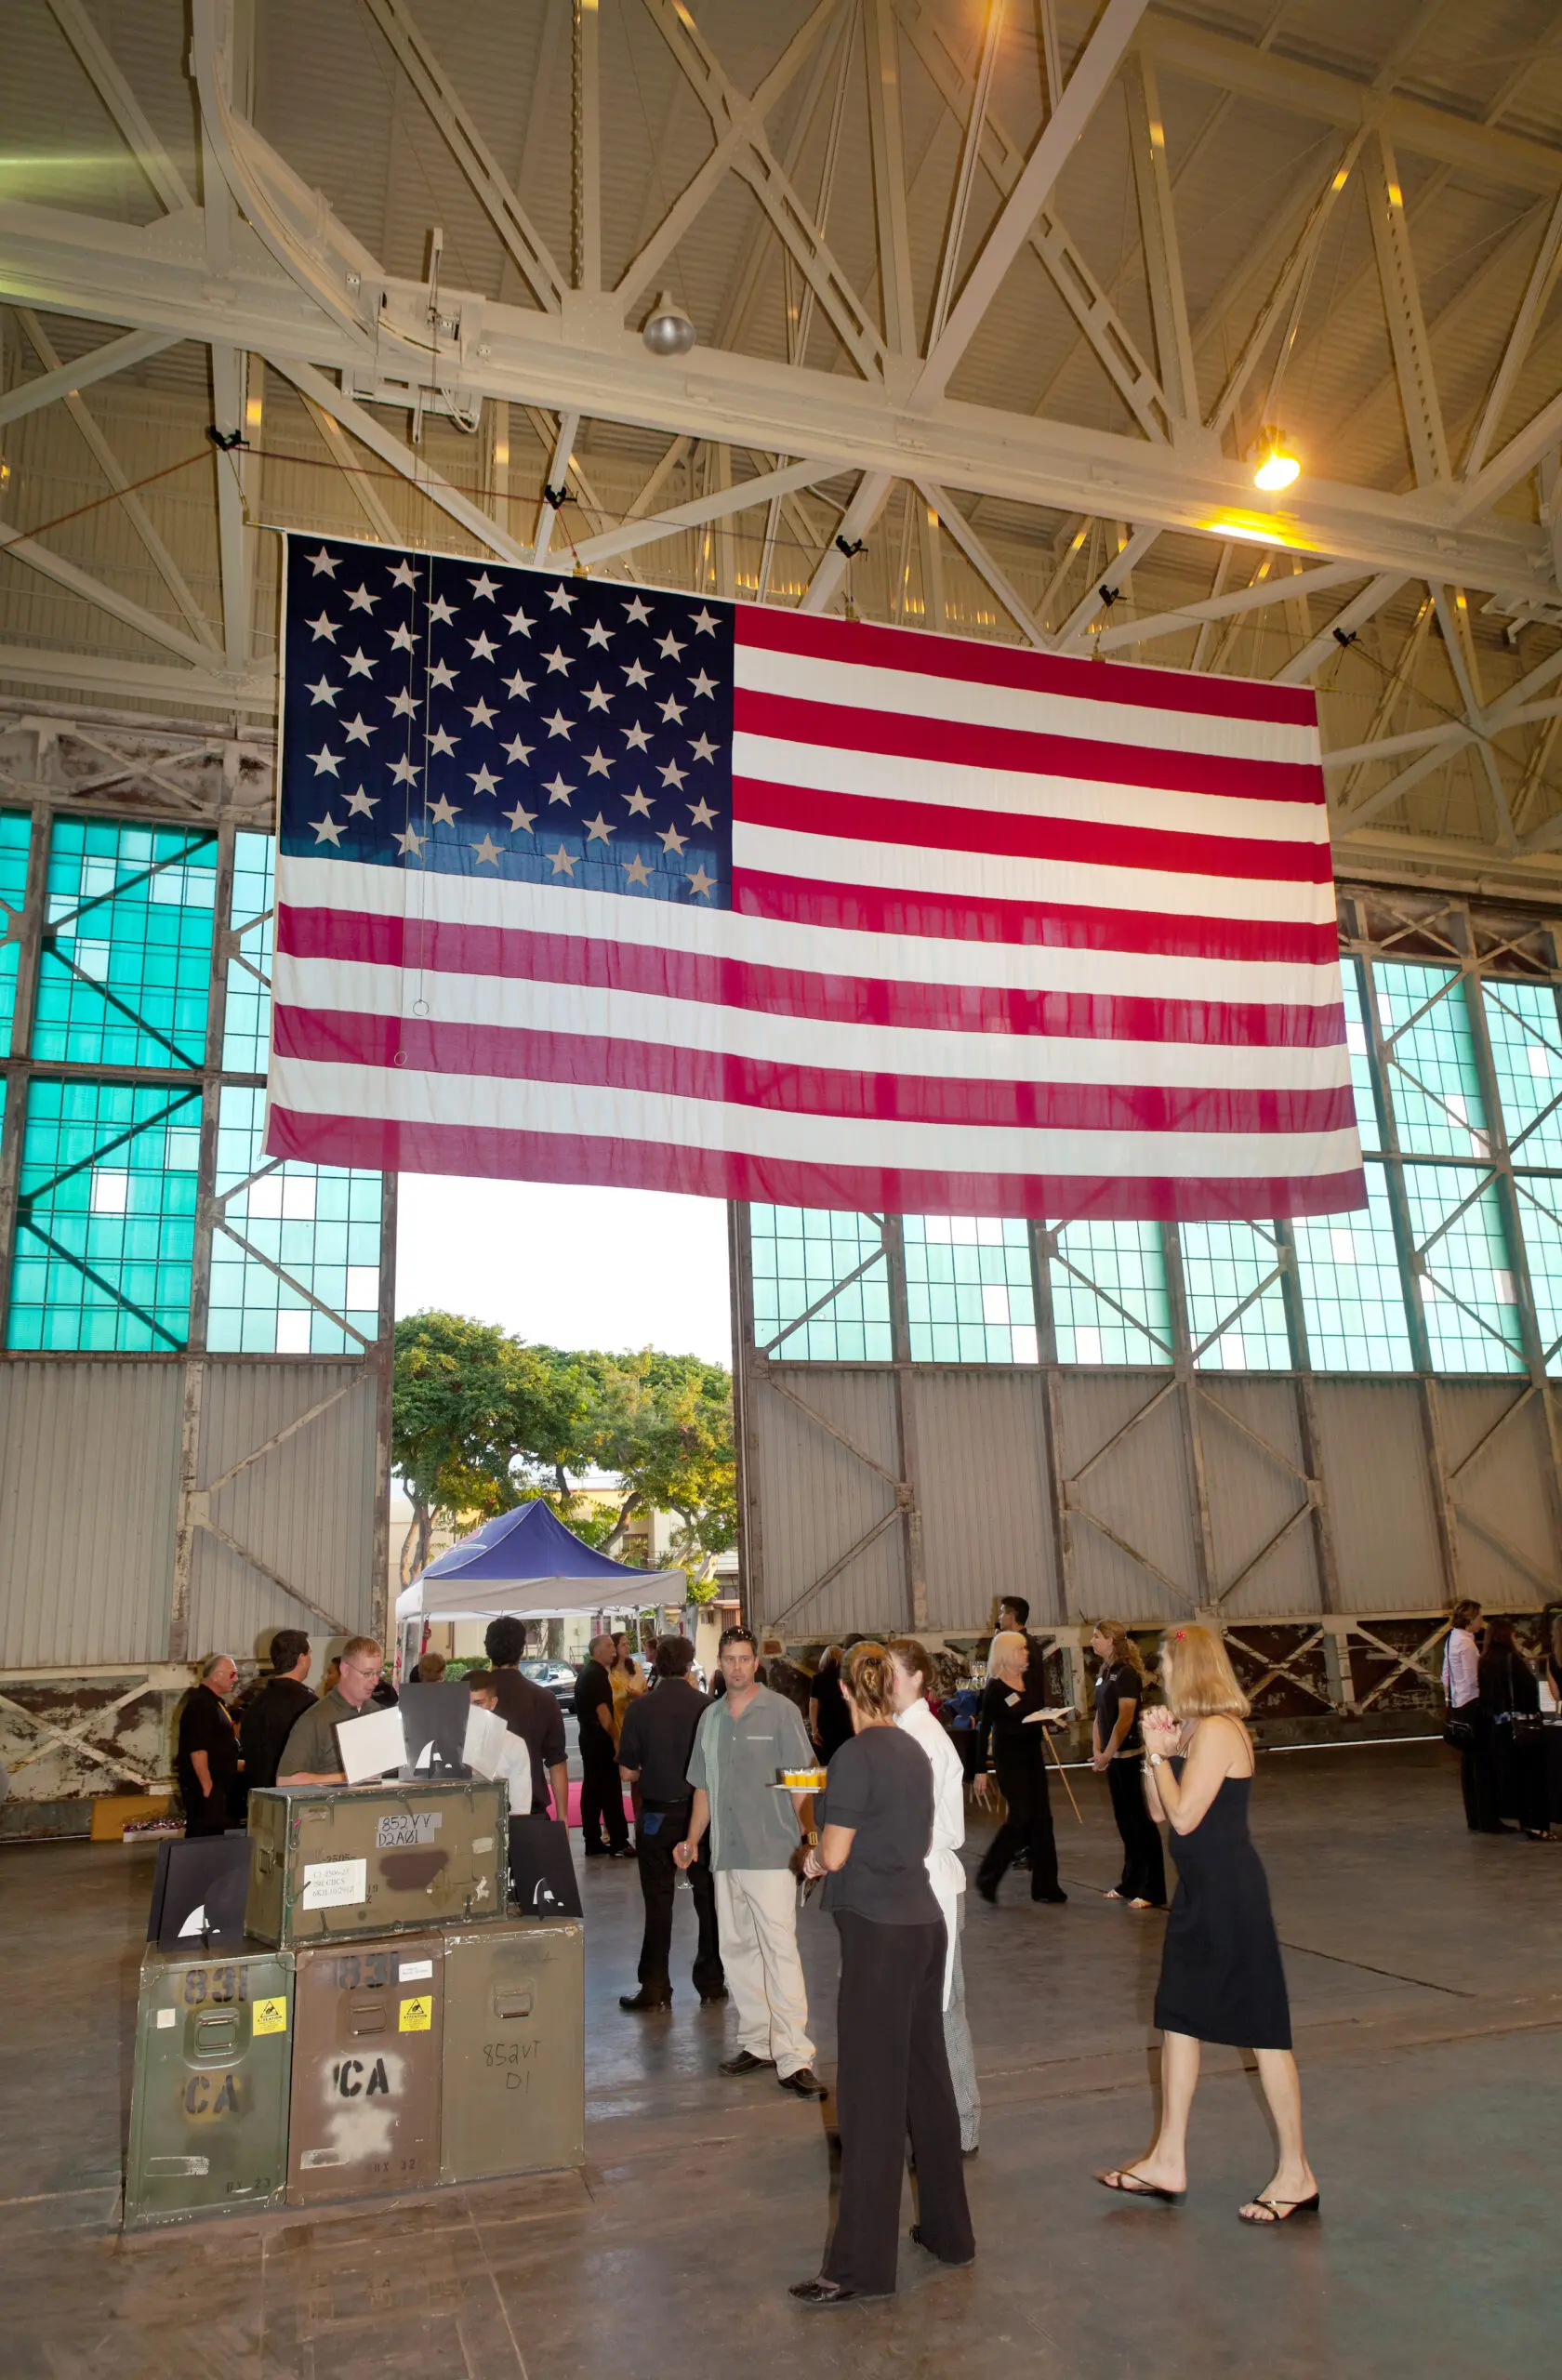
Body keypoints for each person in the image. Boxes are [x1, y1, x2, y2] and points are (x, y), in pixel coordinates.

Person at [1096, 1625, 1318, 2225]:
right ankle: (1168, 2158)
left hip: (1231, 1898)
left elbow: (1188, 1818)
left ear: (1189, 1669)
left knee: (1265, 2033)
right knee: (1179, 2019)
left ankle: (1296, 2173)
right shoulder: (1192, 1730)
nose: (1158, 1676)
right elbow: (1156, 1810)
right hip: (1201, 1895)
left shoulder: (1219, 1731)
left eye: (1166, 1665)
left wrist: (1164, 1755)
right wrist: (1154, 1753)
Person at [791, 1643, 974, 2306]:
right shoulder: (913, 1751)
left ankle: (861, 2268)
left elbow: (833, 1855)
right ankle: (951, 2233)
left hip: (879, 1936)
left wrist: (808, 1851)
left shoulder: (854, 1756)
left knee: (869, 2101)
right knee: (928, 2085)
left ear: (844, 1691)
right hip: (924, 1926)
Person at [677, 1625, 827, 2097]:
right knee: (737, 1952)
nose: (737, 1667)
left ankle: (794, 2056)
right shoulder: (711, 1719)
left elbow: (804, 1781)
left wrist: (812, 1839)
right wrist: (692, 1840)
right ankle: (758, 2042)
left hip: (773, 1854)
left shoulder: (781, 1711)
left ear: (755, 1662)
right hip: (727, 1854)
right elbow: (703, 1786)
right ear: (718, 1663)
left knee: (780, 1952)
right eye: (729, 1659)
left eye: (745, 1659)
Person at [888, 1635, 980, 2157]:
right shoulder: (907, 1731)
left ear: (918, 1677)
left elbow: (928, 1826)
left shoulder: (922, 1737)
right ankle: (927, 2116)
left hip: (932, 1886)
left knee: (944, 2011)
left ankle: (962, 2123)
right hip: (916, 1885)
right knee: (923, 2012)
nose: (885, 1683)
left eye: (893, 1672)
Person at [616, 1634, 724, 2011]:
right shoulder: (709, 1708)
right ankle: (712, 1981)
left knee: (658, 1901)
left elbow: (628, 1773)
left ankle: (656, 1986)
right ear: (690, 1663)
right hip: (702, 1815)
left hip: (657, 1815)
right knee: (707, 1898)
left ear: (658, 1665)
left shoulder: (640, 1709)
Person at [973, 1630, 1066, 1905]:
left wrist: (1050, 1718)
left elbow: (1031, 1715)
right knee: (1021, 1817)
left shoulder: (1029, 1681)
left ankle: (1047, 1887)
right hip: (1010, 1761)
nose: (1026, 1654)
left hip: (1032, 1757)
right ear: (1006, 1654)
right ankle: (988, 1876)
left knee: (1043, 1820)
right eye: (1021, 1649)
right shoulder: (996, 1688)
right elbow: (984, 1730)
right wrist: (980, 1769)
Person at [1090, 1621, 1166, 1910]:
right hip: (1114, 1761)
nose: (1092, 1641)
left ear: (1110, 1640)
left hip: (1131, 1758)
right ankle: (1130, 1881)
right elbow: (1101, 1716)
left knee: (1141, 1824)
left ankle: (1153, 1888)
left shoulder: (1126, 1674)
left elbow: (1124, 1718)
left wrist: (1108, 1752)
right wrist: (1097, 1749)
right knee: (1125, 1823)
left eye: (1097, 1636)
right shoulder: (1104, 1673)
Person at [483, 1617, 569, 1824]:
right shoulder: (543, 1698)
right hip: (530, 1809)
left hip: (478, 1808)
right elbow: (556, 1763)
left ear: (487, 1648)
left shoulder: (468, 1695)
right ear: (522, 1648)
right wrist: (563, 1818)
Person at [1478, 1615, 1550, 1842]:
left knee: (1515, 1777)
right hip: (1521, 1726)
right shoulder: (1512, 1659)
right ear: (1508, 1635)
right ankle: (1537, 1826)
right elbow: (1529, 1689)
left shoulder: (1485, 1660)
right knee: (1533, 1778)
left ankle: (1523, 1821)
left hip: (1499, 1727)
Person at [277, 1636, 386, 1782]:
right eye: (367, 1673)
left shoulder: (374, 1710)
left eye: (378, 1673)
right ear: (345, 1669)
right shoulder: (314, 1719)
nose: (375, 1681)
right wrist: (345, 1778)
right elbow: (285, 1781)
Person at [238, 1631, 315, 1799]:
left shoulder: (256, 1703)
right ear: (301, 1659)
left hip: (257, 1797)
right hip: (293, 1800)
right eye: (310, 1654)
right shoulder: (310, 1705)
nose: (311, 1661)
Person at [576, 1633, 633, 1857]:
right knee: (609, 1791)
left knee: (593, 1791)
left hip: (589, 1738)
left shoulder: (590, 1673)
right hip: (599, 1739)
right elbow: (603, 1714)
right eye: (609, 1646)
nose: (613, 1649)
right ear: (598, 1651)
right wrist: (617, 1739)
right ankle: (618, 1841)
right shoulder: (597, 1676)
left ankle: (592, 1840)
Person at [177, 1655, 241, 1835]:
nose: (235, 1679)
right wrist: (208, 1788)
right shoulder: (201, 1705)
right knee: (203, 1836)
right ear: (216, 1675)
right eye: (232, 1674)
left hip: (216, 1787)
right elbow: (198, 1751)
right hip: (206, 1790)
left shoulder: (213, 1703)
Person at [1441, 1597, 1487, 1831]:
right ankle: (1484, 1816)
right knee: (1479, 1763)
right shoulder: (1468, 1645)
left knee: (1467, 1764)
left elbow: (1445, 1677)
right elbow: (1473, 1680)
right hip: (1471, 1705)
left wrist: (1451, 1700)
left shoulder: (1451, 1640)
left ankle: (1474, 1817)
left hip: (1458, 1705)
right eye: (1479, 1617)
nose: (1482, 1621)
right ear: (1470, 1619)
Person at [465, 1670, 533, 1812]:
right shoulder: (445, 1742)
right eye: (466, 1703)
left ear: (493, 1703)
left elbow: (520, 1809)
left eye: (478, 1703)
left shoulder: (514, 1745)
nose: (471, 1710)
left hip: (494, 1829)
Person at [808, 1646, 853, 1765]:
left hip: (826, 1727)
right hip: (847, 1725)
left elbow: (813, 1704)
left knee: (829, 1762)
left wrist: (814, 1729)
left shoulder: (818, 1679)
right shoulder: (847, 1679)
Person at [609, 1632, 647, 1745]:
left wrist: (638, 1695)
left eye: (628, 1644)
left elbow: (647, 1693)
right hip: (619, 1724)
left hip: (640, 1722)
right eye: (623, 1645)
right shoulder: (610, 1673)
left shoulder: (637, 1668)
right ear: (614, 1647)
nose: (627, 1647)